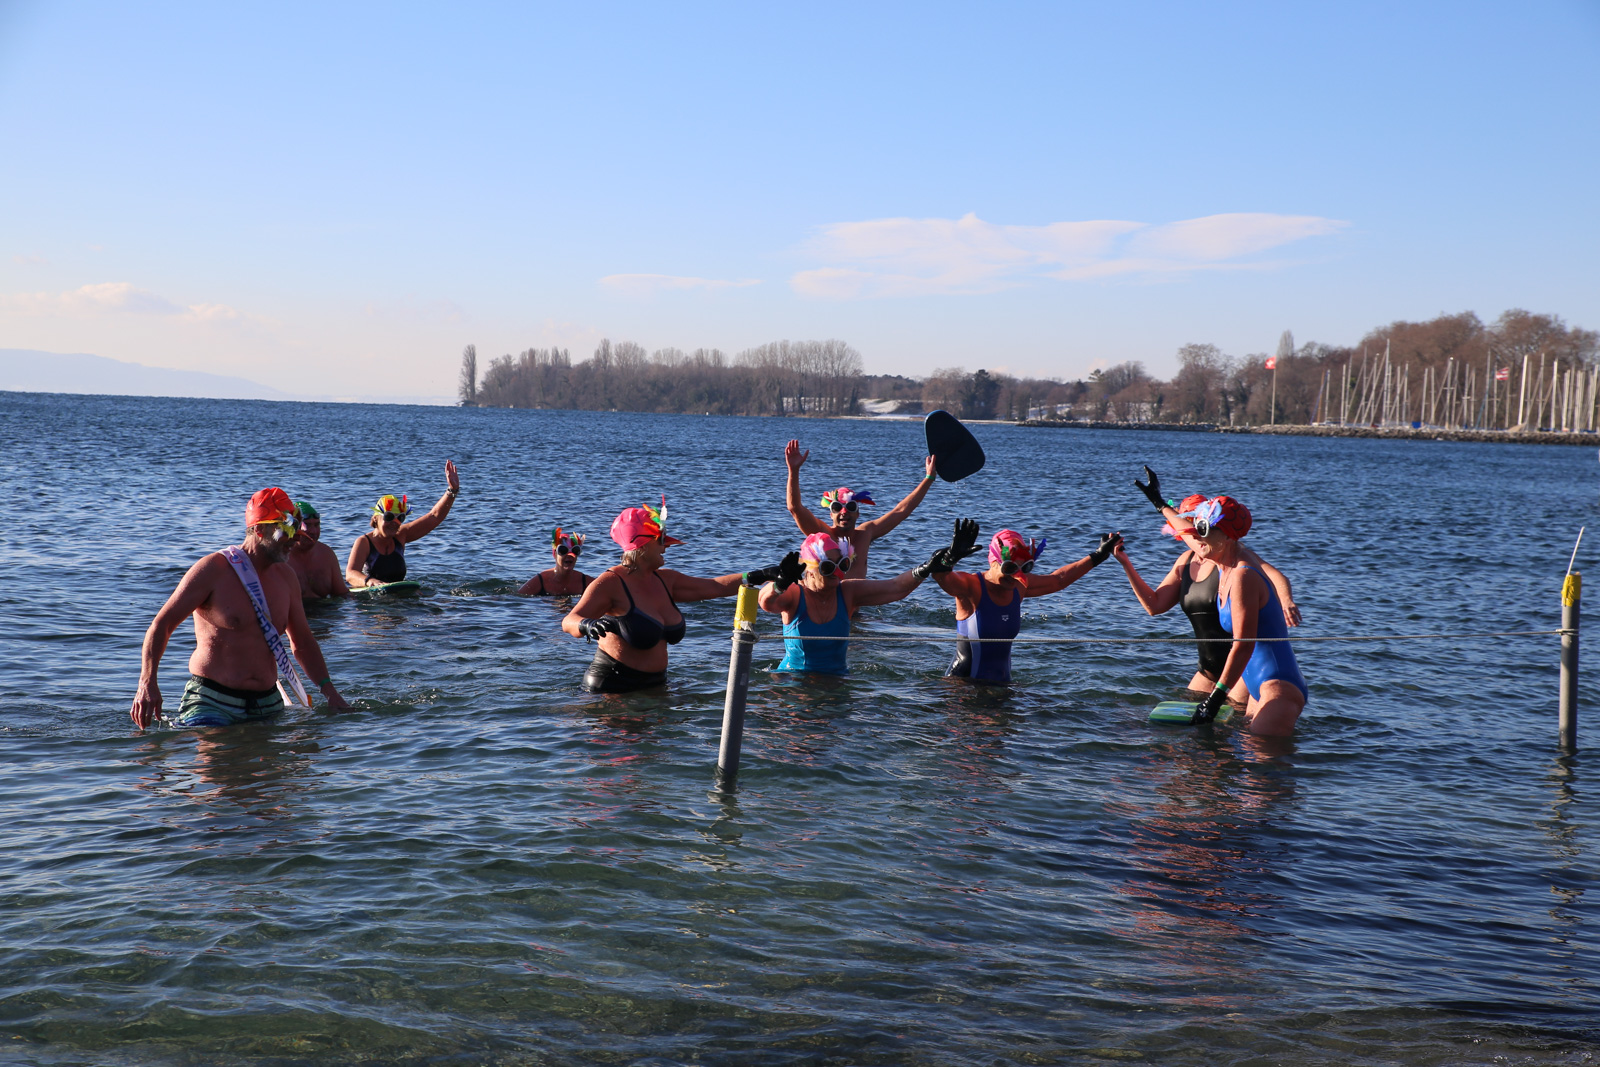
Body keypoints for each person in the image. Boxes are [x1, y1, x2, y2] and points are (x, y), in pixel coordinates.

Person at [131, 488, 351, 729]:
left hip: (268, 703)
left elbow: (303, 643)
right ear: (260, 530)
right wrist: (147, 683)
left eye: (296, 530)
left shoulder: (286, 577)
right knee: (215, 751)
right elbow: (161, 625)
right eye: (287, 530)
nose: (295, 539)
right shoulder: (213, 569)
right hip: (212, 701)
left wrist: (330, 692)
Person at [1128, 495, 1307, 735]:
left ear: (1227, 535)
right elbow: (1190, 534)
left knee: (1263, 758)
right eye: (1194, 530)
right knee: (1240, 754)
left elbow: (1244, 645)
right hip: (1257, 686)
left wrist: (1215, 699)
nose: (1195, 537)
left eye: (1202, 530)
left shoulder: (1243, 574)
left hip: (1277, 688)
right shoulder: (1224, 562)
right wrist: (1160, 505)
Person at [563, 498, 773, 693]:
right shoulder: (611, 582)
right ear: (643, 545)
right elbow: (569, 621)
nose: (666, 546)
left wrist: (760, 575)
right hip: (612, 687)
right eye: (661, 539)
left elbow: (715, 587)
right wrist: (587, 625)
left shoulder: (667, 580)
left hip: (656, 686)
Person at [758, 519, 982, 676]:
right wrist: (780, 583)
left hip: (836, 680)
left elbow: (895, 587)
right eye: (828, 567)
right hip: (794, 681)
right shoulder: (795, 593)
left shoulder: (847, 592)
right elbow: (766, 601)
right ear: (809, 570)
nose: (837, 573)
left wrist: (927, 567)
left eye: (842, 564)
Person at [935, 528, 1124, 685]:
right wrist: (950, 558)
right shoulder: (971, 587)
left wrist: (1098, 555)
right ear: (993, 562)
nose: (1016, 576)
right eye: (1009, 568)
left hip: (1002, 686)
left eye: (1024, 568)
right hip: (963, 687)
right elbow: (941, 576)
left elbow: (1059, 580)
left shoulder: (1019, 586)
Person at [1133, 466, 1301, 626]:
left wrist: (1286, 600)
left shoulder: (1233, 555)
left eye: (1200, 525)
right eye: (1190, 522)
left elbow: (1275, 575)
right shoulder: (1189, 558)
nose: (1196, 531)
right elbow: (1155, 606)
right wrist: (1125, 561)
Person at [783, 438, 938, 579]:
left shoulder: (865, 534)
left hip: (856, 600)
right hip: (827, 599)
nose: (844, 512)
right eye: (837, 507)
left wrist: (929, 478)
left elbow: (901, 511)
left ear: (858, 513)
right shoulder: (823, 535)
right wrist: (794, 471)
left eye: (850, 507)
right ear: (831, 514)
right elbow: (794, 508)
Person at [346, 459, 460, 588]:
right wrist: (370, 581)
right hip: (373, 596)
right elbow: (351, 574)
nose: (394, 523)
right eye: (389, 517)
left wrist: (452, 490)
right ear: (376, 518)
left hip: (398, 594)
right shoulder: (364, 542)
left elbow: (434, 516)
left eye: (400, 518)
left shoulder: (401, 535)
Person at [286, 500, 351, 600]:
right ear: (293, 527)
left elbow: (343, 593)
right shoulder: (281, 558)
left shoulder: (327, 554)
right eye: (307, 525)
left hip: (326, 609)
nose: (313, 531)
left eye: (316, 525)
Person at [519, 528, 592, 596]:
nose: (569, 555)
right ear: (555, 555)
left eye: (575, 550)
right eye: (563, 550)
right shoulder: (539, 582)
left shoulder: (587, 583)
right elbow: (519, 598)